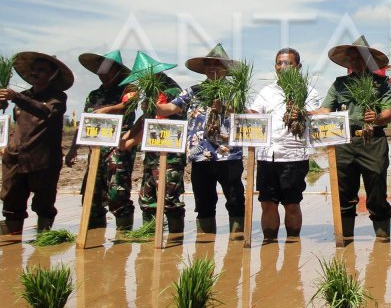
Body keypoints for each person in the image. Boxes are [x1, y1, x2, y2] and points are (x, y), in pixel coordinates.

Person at [154, 44, 246, 235]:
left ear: (225, 68)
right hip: (200, 156)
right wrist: (155, 106)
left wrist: (224, 107)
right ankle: (204, 246)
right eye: (208, 64)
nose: (212, 67)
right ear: (203, 68)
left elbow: (242, 115)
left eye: (217, 64)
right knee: (204, 201)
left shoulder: (235, 92)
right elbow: (171, 108)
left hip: (228, 156)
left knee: (235, 199)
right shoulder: (194, 91)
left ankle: (236, 245)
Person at [317, 36, 391, 241]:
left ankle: (382, 237)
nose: (355, 61)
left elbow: (389, 112)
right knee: (344, 191)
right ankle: (346, 239)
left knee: (377, 189)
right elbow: (326, 109)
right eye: (351, 57)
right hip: (344, 142)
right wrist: (306, 113)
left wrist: (377, 118)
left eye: (359, 57)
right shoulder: (339, 84)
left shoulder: (381, 83)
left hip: (373, 141)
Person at [250, 47, 322, 242]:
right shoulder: (267, 91)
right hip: (266, 155)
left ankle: (292, 243)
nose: (283, 67)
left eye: (288, 63)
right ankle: (269, 242)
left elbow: (316, 114)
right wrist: (238, 108)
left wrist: (301, 110)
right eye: (279, 63)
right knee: (267, 202)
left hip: (293, 155)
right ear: (275, 67)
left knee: (291, 203)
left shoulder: (308, 91)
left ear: (298, 67)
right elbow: (255, 114)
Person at [0, 52, 72, 235]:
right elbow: (18, 124)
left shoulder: (58, 98)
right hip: (16, 157)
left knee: (44, 203)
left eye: (42, 70)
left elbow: (45, 112)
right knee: (12, 202)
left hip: (43, 160)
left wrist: (16, 98)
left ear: (52, 75)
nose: (35, 73)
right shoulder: (22, 97)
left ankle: (43, 244)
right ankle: (10, 250)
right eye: (34, 70)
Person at [69, 49, 136, 231]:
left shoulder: (128, 90)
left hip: (118, 149)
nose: (103, 75)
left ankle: (123, 238)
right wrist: (73, 148)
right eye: (101, 70)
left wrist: (107, 110)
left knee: (117, 193)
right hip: (96, 150)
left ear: (117, 71)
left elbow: (128, 105)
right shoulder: (93, 95)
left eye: (108, 70)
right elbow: (84, 121)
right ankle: (94, 238)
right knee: (91, 195)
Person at [120, 52, 187, 233]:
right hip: (151, 155)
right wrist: (127, 136)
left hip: (170, 156)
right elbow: (146, 118)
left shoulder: (171, 91)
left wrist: (131, 142)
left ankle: (174, 244)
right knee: (148, 200)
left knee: (170, 200)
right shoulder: (153, 91)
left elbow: (158, 121)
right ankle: (148, 239)